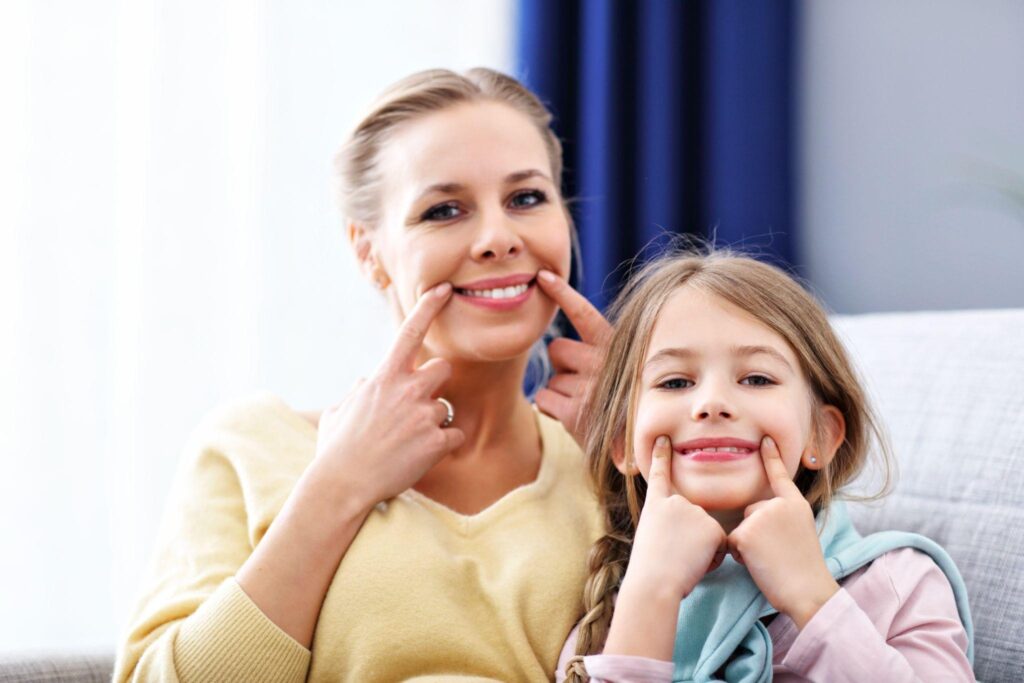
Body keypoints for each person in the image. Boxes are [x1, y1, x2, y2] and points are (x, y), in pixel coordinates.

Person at [114, 67, 613, 682]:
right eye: (444, 209)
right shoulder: (253, 448)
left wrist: (644, 468)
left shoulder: (617, 461)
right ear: (368, 253)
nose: (497, 237)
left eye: (526, 198)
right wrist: (337, 486)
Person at [558, 249, 974, 682]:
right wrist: (652, 595)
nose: (712, 403)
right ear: (622, 442)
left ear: (822, 435)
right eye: (675, 381)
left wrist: (812, 597)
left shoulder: (898, 581)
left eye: (757, 379)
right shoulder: (607, 602)